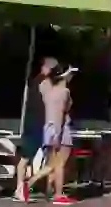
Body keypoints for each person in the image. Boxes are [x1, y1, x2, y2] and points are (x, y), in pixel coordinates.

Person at [26, 64, 77, 205]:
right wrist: (57, 134)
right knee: (59, 163)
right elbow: (60, 114)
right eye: (70, 74)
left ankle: (48, 189)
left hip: (48, 128)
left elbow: (43, 83)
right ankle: (56, 193)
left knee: (52, 163)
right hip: (60, 129)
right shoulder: (64, 92)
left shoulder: (47, 90)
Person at [15, 56, 57, 203]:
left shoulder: (36, 81)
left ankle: (22, 186)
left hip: (34, 123)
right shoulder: (44, 82)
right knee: (31, 157)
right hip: (38, 124)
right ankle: (24, 186)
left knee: (27, 157)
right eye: (52, 68)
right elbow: (51, 101)